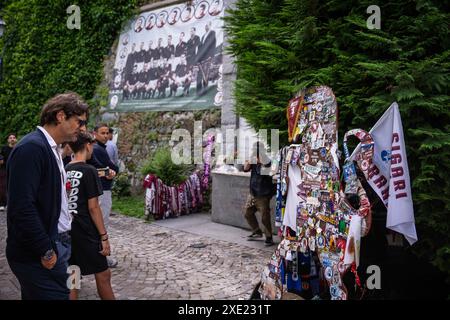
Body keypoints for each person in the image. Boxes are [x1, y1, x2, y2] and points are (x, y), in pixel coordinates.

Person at [6, 92, 88, 300]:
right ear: (61, 116)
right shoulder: (32, 148)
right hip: (40, 250)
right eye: (79, 121)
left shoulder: (51, 148)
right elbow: (21, 207)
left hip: (56, 242)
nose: (82, 128)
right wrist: (45, 249)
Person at [66, 132, 115, 300]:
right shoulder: (89, 170)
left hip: (68, 231)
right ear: (87, 145)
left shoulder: (65, 169)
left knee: (73, 275)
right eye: (92, 145)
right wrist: (104, 236)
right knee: (103, 275)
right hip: (87, 231)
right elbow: (93, 207)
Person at [91, 124, 119, 268]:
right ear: (94, 133)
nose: (105, 136)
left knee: (100, 223)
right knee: (102, 224)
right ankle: (102, 256)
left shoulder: (99, 148)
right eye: (102, 133)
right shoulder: (98, 149)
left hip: (100, 190)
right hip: (102, 190)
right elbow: (111, 167)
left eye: (107, 133)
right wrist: (111, 170)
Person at [243, 142, 275, 246]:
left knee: (264, 217)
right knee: (247, 213)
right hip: (253, 193)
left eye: (255, 149)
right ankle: (257, 231)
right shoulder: (253, 159)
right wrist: (250, 159)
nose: (254, 151)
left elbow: (267, 168)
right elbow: (245, 169)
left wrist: (259, 158)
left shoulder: (267, 160)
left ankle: (269, 237)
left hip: (263, 194)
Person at [196, 22, 216, 96]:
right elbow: (201, 47)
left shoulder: (212, 33)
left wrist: (211, 55)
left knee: (206, 74)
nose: (206, 27)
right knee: (199, 74)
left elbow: (212, 45)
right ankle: (198, 91)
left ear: (210, 26)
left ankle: (205, 90)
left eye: (207, 26)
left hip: (208, 58)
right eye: (205, 26)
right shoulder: (203, 36)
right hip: (201, 58)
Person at [0, 133, 17, 211]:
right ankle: (2, 204)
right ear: (8, 140)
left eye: (14, 137)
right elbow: (1, 158)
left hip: (16, 170)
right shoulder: (4, 148)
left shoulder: (18, 148)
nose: (12, 139)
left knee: (15, 187)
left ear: (16, 139)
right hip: (5, 169)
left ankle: (12, 203)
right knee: (3, 186)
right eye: (10, 138)